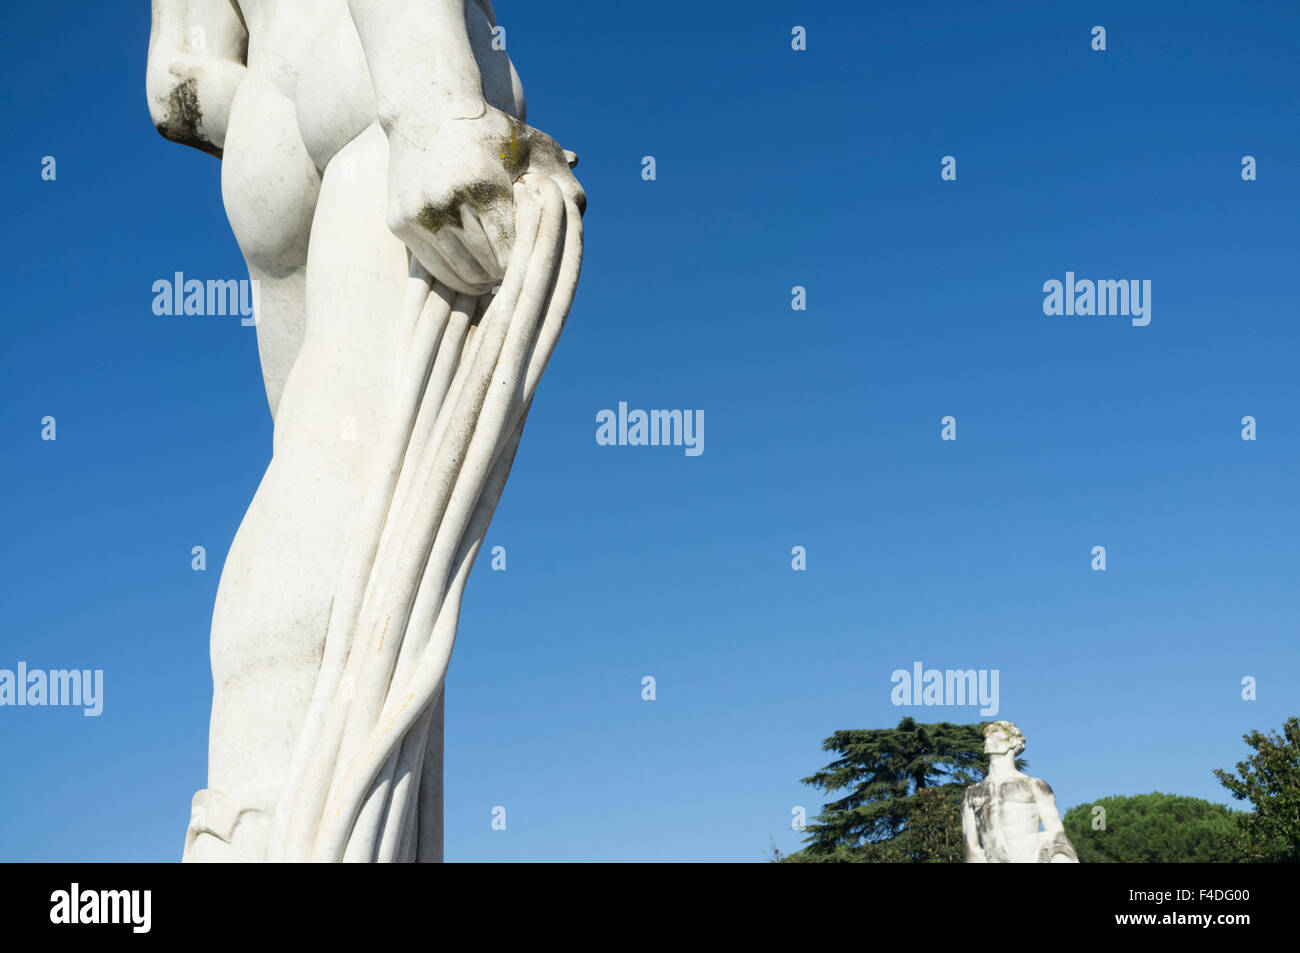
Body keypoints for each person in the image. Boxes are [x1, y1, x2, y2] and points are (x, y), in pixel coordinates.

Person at [147, 0, 584, 862]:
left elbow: (176, 83)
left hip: (267, 135)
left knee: (323, 484)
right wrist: (431, 99)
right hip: (377, 69)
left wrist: (283, 103)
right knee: (362, 492)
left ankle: (255, 813)